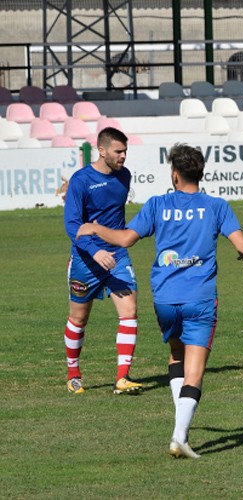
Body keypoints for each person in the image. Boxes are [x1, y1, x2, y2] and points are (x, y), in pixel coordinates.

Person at [77, 143, 243, 459]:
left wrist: (93, 227)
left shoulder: (157, 204)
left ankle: (180, 425)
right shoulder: (216, 206)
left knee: (176, 354)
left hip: (164, 299)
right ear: (200, 173)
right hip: (200, 299)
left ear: (175, 175)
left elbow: (125, 239)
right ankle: (179, 437)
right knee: (195, 372)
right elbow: (242, 246)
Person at [62, 127, 142, 395]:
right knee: (78, 318)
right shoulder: (81, 180)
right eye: (118, 151)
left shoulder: (124, 176)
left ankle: (122, 377)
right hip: (86, 259)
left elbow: (113, 217)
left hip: (117, 256)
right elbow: (72, 225)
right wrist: (93, 250)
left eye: (126, 151)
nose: (123, 157)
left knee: (129, 310)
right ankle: (73, 374)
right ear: (102, 150)